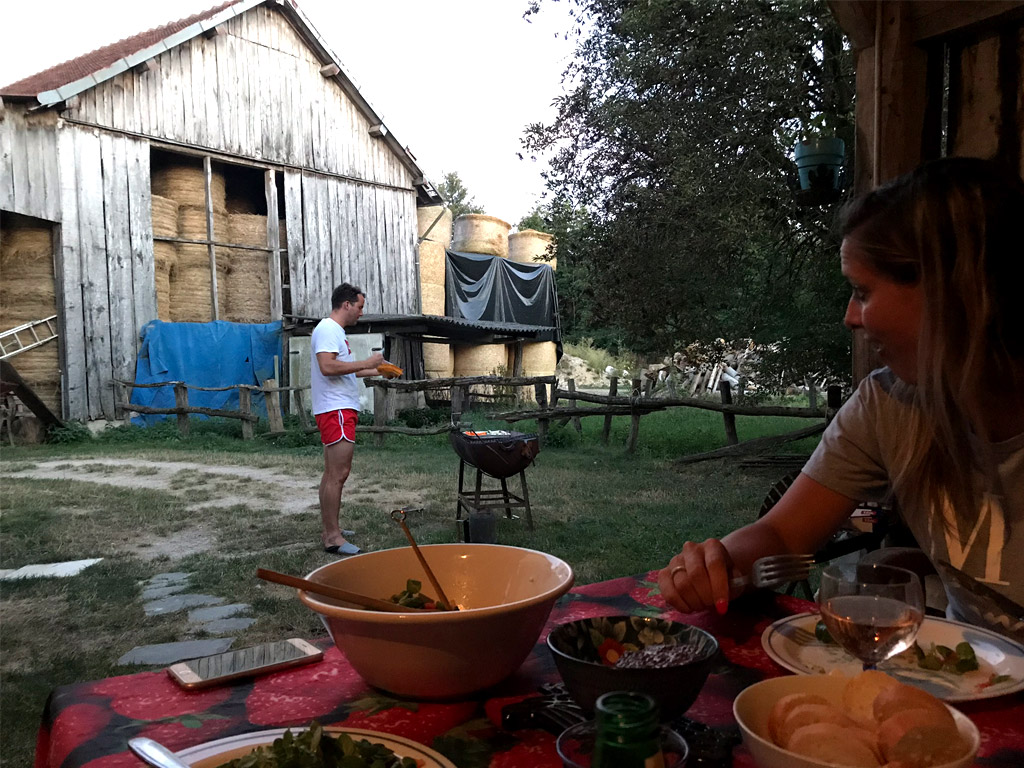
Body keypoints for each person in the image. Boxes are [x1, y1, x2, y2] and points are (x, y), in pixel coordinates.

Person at [659, 157, 1024, 639]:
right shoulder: (888, 404)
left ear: (951, 290)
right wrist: (722, 562)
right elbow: (783, 533)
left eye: (862, 292)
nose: (851, 318)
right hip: (964, 685)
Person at [311, 283, 385, 555]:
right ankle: (332, 538)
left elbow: (343, 370)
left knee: (332, 473)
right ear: (346, 304)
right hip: (336, 410)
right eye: (360, 306)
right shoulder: (329, 330)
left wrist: (377, 371)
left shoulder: (334, 332)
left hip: (337, 409)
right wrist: (366, 362)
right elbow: (328, 367)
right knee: (338, 474)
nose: (361, 313)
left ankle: (331, 529)